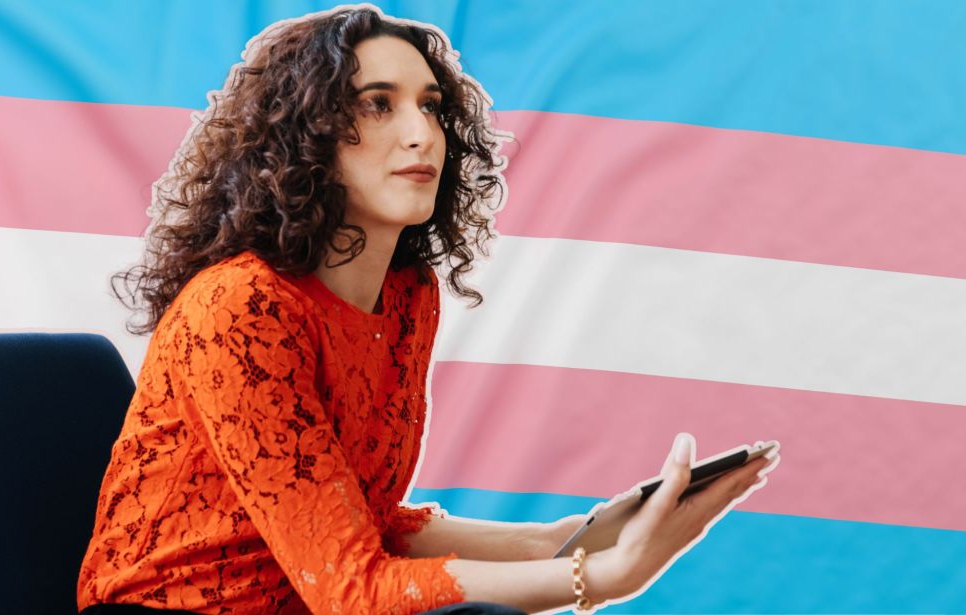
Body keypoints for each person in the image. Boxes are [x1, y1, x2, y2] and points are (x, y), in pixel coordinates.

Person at [77, 5, 779, 614]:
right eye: (377, 103)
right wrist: (592, 576)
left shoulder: (409, 297)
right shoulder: (240, 307)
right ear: (304, 135)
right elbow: (352, 589)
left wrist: (564, 534)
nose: (422, 134)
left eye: (432, 106)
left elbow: (364, 522)